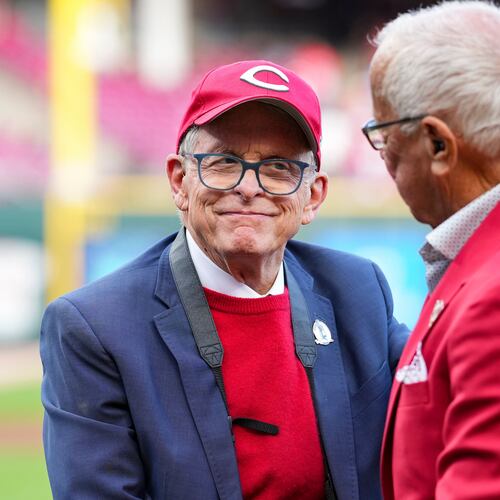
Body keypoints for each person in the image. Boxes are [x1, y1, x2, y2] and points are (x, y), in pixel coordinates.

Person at [41, 59, 408, 500]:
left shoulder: (357, 289)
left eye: (278, 168)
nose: (250, 187)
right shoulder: (95, 328)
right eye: (223, 162)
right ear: (180, 181)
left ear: (312, 196)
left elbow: (454, 389)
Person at [363, 2, 500, 498]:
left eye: (381, 134)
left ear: (438, 145)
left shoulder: (491, 296)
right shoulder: (474, 262)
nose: (383, 159)